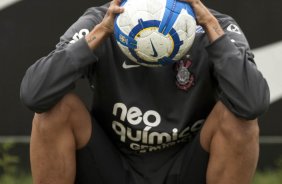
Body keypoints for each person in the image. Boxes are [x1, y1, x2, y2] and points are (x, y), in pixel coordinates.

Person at [20, 0, 270, 183]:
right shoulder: (100, 22)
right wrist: (100, 34)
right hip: (112, 168)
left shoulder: (214, 26)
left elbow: (252, 104)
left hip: (185, 168)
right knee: (55, 110)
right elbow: (34, 94)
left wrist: (212, 29)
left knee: (238, 119)